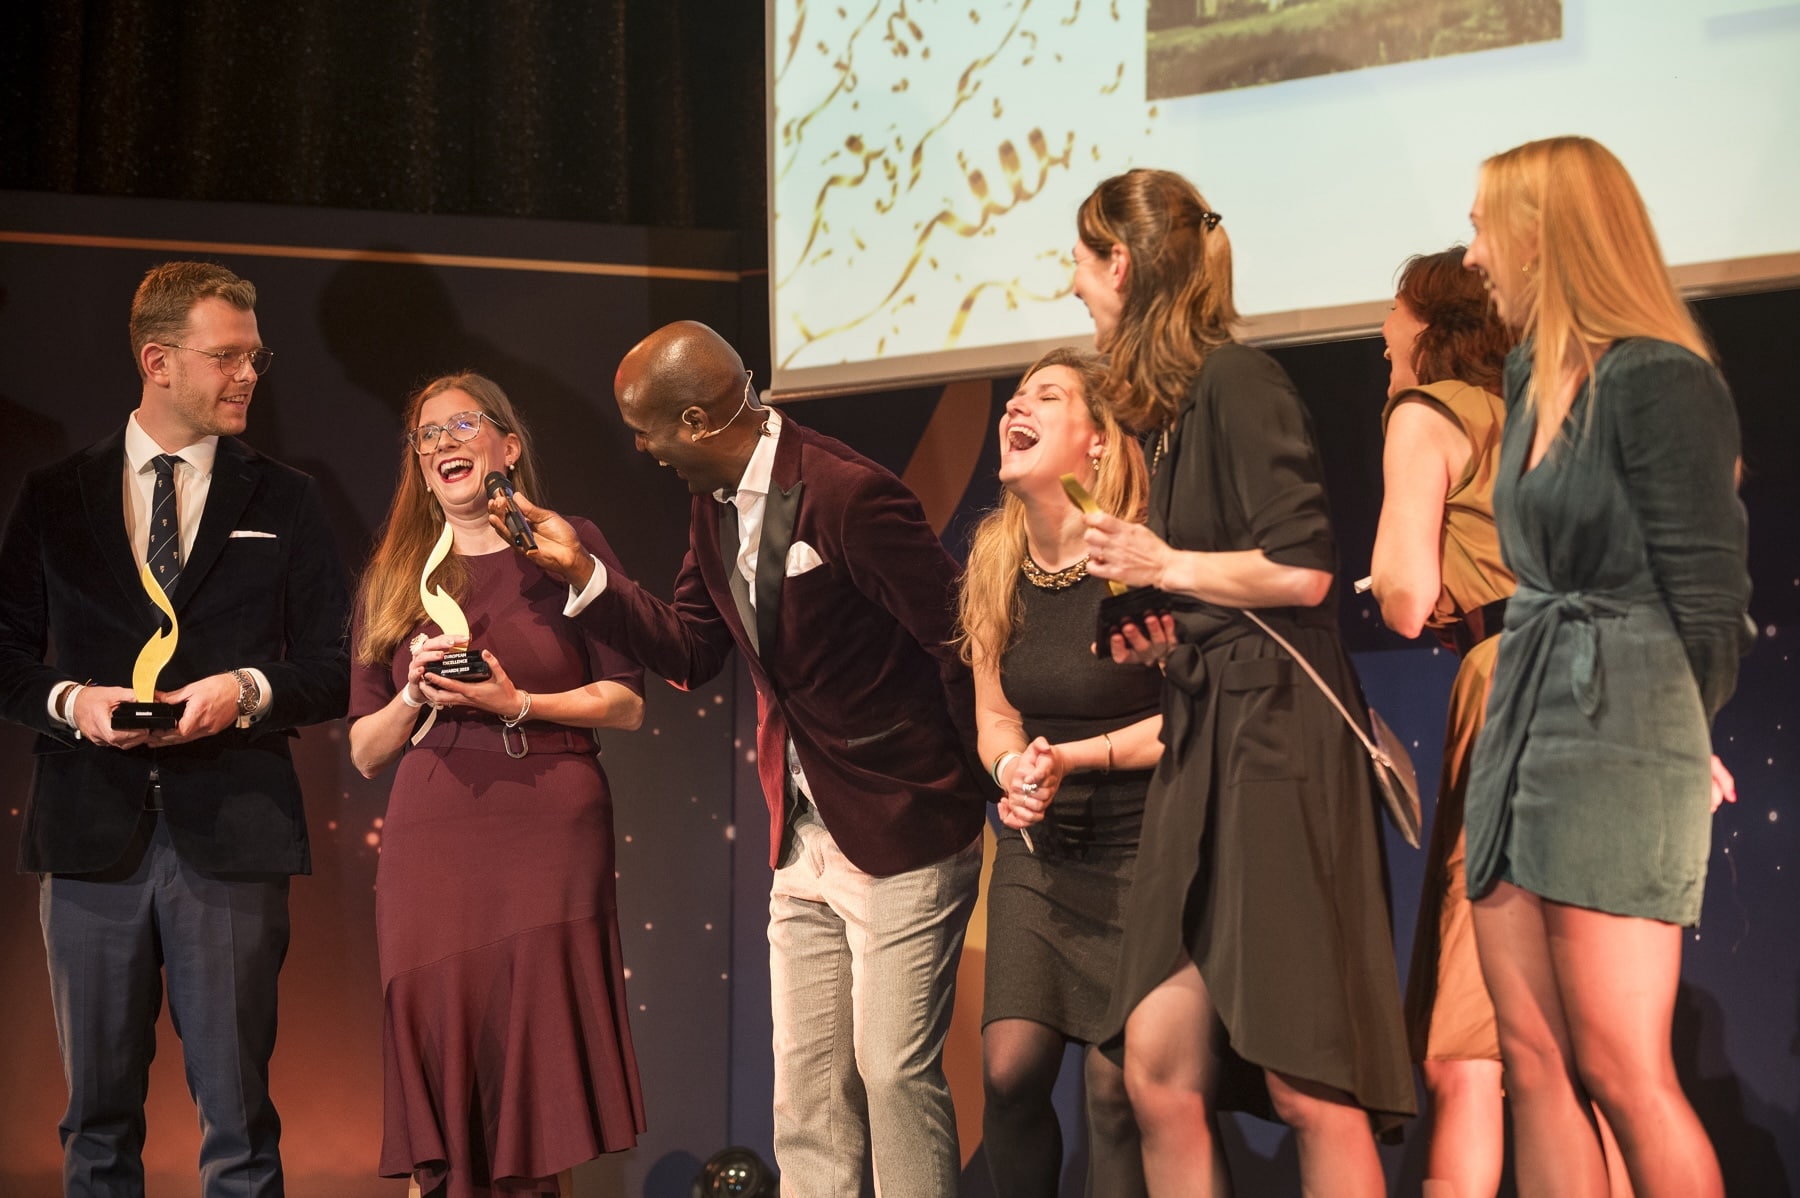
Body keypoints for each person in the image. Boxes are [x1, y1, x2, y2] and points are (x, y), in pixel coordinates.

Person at [494, 321, 987, 1198]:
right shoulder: (713, 501)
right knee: (807, 1096)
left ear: (695, 421)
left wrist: (965, 785)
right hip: (802, 837)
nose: (640, 449)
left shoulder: (848, 496)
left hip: (903, 825)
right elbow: (690, 650)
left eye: (645, 430)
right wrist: (582, 573)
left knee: (892, 1076)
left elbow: (958, 639)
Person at [1068, 168, 1415, 1197]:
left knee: (1309, 1076)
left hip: (1275, 742)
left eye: (1079, 264)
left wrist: (1162, 562)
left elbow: (1303, 571)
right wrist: (1167, 642)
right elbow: (1231, 596)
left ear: (1120, 265)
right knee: (1156, 1065)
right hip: (1209, 728)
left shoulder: (1238, 381)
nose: (1072, 287)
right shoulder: (1174, 414)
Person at [0, 261, 350, 1196]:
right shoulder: (56, 494)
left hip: (233, 835)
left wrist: (244, 690)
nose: (248, 375)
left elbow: (336, 665)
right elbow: (5, 654)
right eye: (227, 356)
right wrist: (75, 703)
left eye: (256, 357)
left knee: (240, 1124)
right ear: (158, 361)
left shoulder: (286, 497)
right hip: (88, 835)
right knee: (95, 1125)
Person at [1459, 136, 1751, 1198]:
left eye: (1484, 227)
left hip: (1620, 734)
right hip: (1522, 724)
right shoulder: (1530, 374)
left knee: (1624, 1070)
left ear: (1542, 234)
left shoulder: (1661, 378)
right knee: (1533, 1067)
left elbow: (1710, 603)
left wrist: (1672, 738)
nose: (1473, 254)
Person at [346, 373, 647, 1198]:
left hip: (550, 832)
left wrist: (519, 703)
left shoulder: (566, 545)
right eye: (426, 434)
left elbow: (626, 701)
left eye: (462, 425)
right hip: (435, 842)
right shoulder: (393, 574)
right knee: (446, 1078)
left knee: (533, 1079)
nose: (442, 443)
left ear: (507, 448)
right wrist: (413, 692)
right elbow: (366, 751)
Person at [957, 347, 1157, 1198]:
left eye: (1044, 395)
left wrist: (1073, 758)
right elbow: (996, 716)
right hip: (1042, 855)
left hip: (1147, 846)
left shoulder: (1139, 556)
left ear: (1098, 439)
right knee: (1008, 1070)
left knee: (1116, 1091)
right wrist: (1013, 769)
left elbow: (1195, 720)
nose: (1015, 408)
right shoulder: (995, 559)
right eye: (1013, 398)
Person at [1369, 247, 1516, 1198]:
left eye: (1392, 316)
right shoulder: (1535, 415)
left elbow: (1405, 596)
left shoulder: (1425, 412)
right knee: (1581, 1046)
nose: (1382, 337)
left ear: (1425, 323)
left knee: (1466, 1050)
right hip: (1604, 682)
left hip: (1510, 687)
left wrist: (1393, 578)